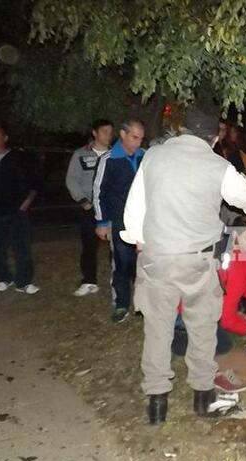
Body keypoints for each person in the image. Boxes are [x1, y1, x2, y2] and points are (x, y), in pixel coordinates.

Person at [121, 108, 246, 424]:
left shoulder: (153, 156)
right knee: (202, 329)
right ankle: (203, 398)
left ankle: (157, 405)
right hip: (198, 261)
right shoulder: (218, 165)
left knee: (157, 329)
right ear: (215, 137)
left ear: (183, 130)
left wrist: (137, 239)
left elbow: (135, 207)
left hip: (157, 257)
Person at [93, 119, 146, 322]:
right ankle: (121, 304)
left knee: (142, 264)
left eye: (141, 138)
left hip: (142, 221)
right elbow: (99, 192)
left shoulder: (144, 157)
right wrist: (101, 222)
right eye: (135, 137)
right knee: (121, 263)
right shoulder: (109, 159)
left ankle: (142, 305)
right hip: (119, 220)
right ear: (123, 134)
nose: (138, 142)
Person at [65, 119, 114, 296]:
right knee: (89, 246)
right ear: (95, 133)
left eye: (110, 132)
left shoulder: (115, 154)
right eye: (104, 131)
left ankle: (117, 278)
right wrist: (83, 200)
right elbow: (71, 179)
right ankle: (89, 281)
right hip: (90, 208)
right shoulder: (81, 154)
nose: (108, 135)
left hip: (111, 208)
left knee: (115, 245)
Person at [0, 122, 40, 295]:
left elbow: (34, 182)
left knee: (22, 248)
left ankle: (24, 281)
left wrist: (27, 202)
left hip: (17, 211)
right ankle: (4, 278)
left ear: (5, 138)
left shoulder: (19, 158)